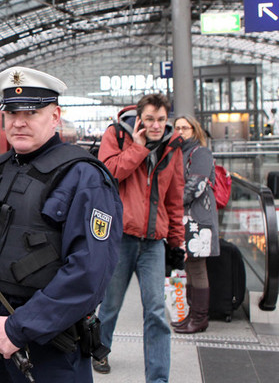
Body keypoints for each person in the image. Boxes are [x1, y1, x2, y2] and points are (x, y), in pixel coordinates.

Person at [0, 66, 123, 382]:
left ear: (55, 116)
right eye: (11, 112)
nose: (19, 121)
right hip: (0, 337)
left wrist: (19, 328)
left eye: (32, 111)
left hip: (52, 347)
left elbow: (90, 273)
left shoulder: (83, 177)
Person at [94, 93, 185, 383]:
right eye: (149, 119)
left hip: (153, 243)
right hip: (121, 238)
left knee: (156, 311)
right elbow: (107, 173)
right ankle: (100, 349)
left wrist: (176, 242)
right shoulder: (117, 135)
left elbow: (175, 198)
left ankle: (158, 378)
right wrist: (138, 147)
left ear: (166, 119)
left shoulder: (173, 148)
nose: (155, 125)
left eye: (160, 119)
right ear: (139, 118)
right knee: (109, 304)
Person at [171, 114, 219, 334]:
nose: (180, 132)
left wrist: (171, 202)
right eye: (177, 128)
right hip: (185, 217)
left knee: (198, 266)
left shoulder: (200, 152)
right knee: (190, 265)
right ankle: (192, 314)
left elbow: (196, 185)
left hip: (198, 218)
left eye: (185, 128)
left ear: (194, 130)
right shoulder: (178, 153)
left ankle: (200, 318)